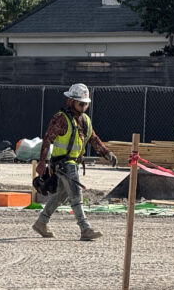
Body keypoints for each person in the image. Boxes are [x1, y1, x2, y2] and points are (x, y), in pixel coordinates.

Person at [32, 82, 117, 240]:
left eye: (86, 104)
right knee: (76, 193)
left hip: (74, 162)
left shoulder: (85, 120)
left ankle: (41, 223)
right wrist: (42, 162)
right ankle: (85, 229)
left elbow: (93, 138)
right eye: (81, 103)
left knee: (61, 195)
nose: (84, 106)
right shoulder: (61, 119)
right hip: (63, 163)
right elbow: (47, 140)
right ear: (71, 101)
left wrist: (107, 153)